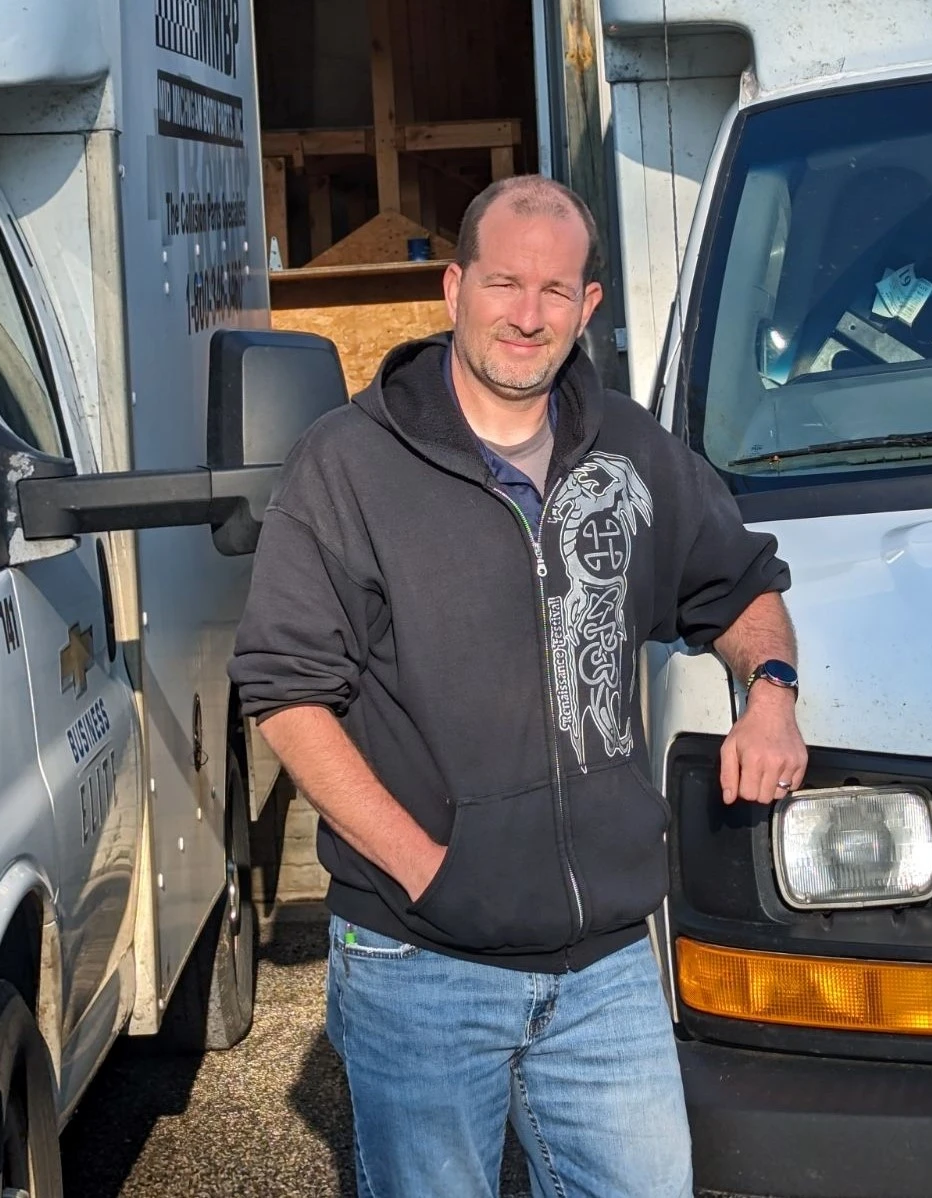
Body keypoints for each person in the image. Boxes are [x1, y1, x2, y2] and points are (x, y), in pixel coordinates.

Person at [229, 175, 808, 1198]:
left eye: (555, 290)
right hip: (422, 962)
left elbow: (741, 585)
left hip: (605, 970)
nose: (527, 314)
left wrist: (770, 690)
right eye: (503, 283)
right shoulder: (350, 464)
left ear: (588, 307)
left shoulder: (630, 452)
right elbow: (286, 696)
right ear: (453, 288)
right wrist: (427, 871)